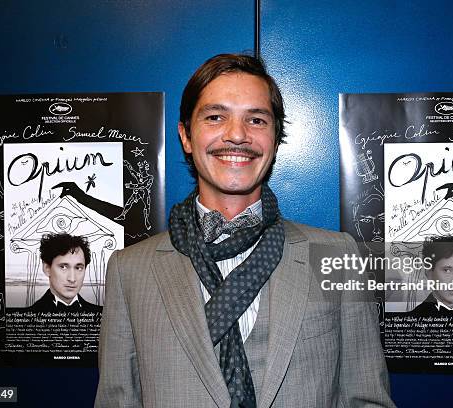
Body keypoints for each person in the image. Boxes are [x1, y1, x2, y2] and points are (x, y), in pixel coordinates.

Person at [96, 54, 394, 407]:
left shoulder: (337, 255)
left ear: (275, 138)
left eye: (256, 119)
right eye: (215, 117)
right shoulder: (130, 270)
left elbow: (367, 399)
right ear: (186, 136)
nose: (237, 135)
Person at [28, 233, 102, 312]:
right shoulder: (27, 317)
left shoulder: (102, 314)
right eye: (63, 267)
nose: (72, 279)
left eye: (78, 268)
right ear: (47, 268)